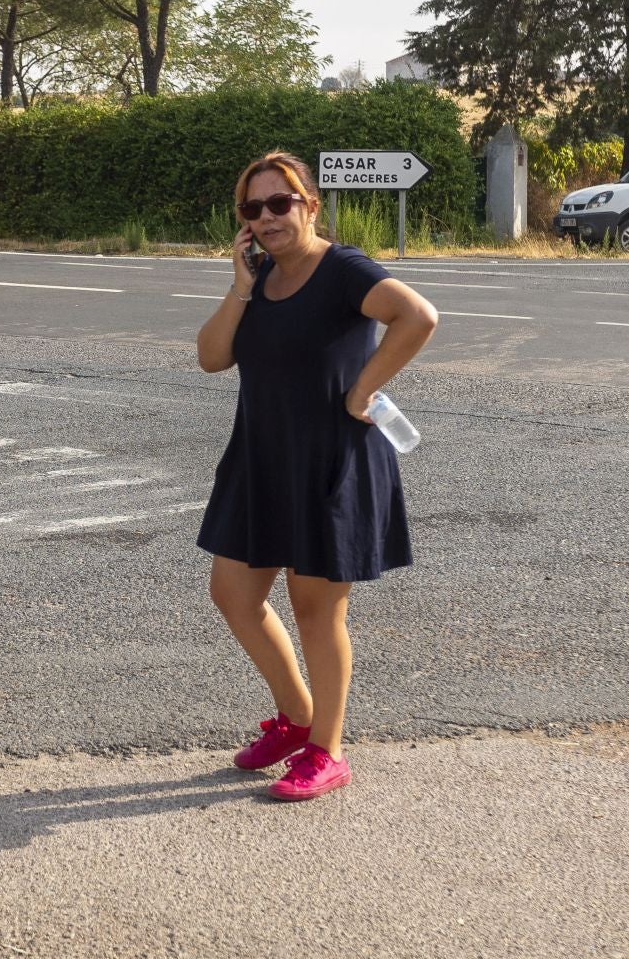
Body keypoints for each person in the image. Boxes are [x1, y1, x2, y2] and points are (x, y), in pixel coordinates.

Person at [195, 151, 439, 801]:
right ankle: (296, 716)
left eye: (281, 202)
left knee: (316, 611)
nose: (269, 217)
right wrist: (241, 285)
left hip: (332, 460)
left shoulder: (342, 269)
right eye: (254, 208)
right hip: (263, 456)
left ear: (310, 203)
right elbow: (211, 357)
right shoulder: (262, 277)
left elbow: (418, 315)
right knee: (234, 595)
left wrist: (363, 390)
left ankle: (326, 750)